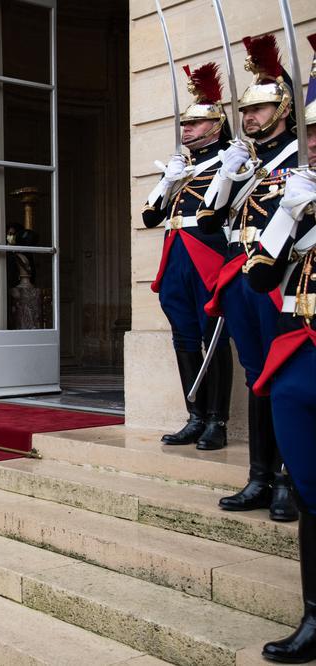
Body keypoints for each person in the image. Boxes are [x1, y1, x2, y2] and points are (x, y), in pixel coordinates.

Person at [198, 34, 298, 522]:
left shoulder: (300, 159)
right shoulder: (250, 165)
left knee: (282, 378)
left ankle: (286, 478)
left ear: (283, 109)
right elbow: (210, 222)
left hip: (282, 278)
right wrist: (225, 176)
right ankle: (259, 475)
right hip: (241, 276)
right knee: (255, 375)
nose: (249, 118)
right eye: (245, 112)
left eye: (259, 110)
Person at [245, 34, 316, 663]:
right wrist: (290, 220)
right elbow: (263, 272)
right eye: (312, 135)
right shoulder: (300, 192)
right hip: (303, 351)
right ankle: (314, 615)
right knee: (311, 485)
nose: (315, 146)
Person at [142, 62, 232, 451]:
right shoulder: (183, 167)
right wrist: (167, 180)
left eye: (195, 124)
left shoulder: (232, 161)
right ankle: (194, 415)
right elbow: (150, 217)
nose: (186, 131)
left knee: (213, 339)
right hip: (176, 256)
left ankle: (217, 421)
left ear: (215, 125)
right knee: (184, 338)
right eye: (185, 125)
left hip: (209, 256)